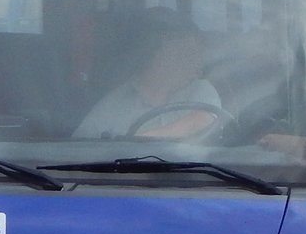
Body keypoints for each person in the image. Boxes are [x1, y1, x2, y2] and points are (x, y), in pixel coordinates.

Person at [75, 13, 221, 139]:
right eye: (187, 55)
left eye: (197, 56)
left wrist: (134, 143)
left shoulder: (200, 89)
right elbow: (78, 152)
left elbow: (200, 121)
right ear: (157, 56)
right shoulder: (112, 105)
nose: (198, 65)